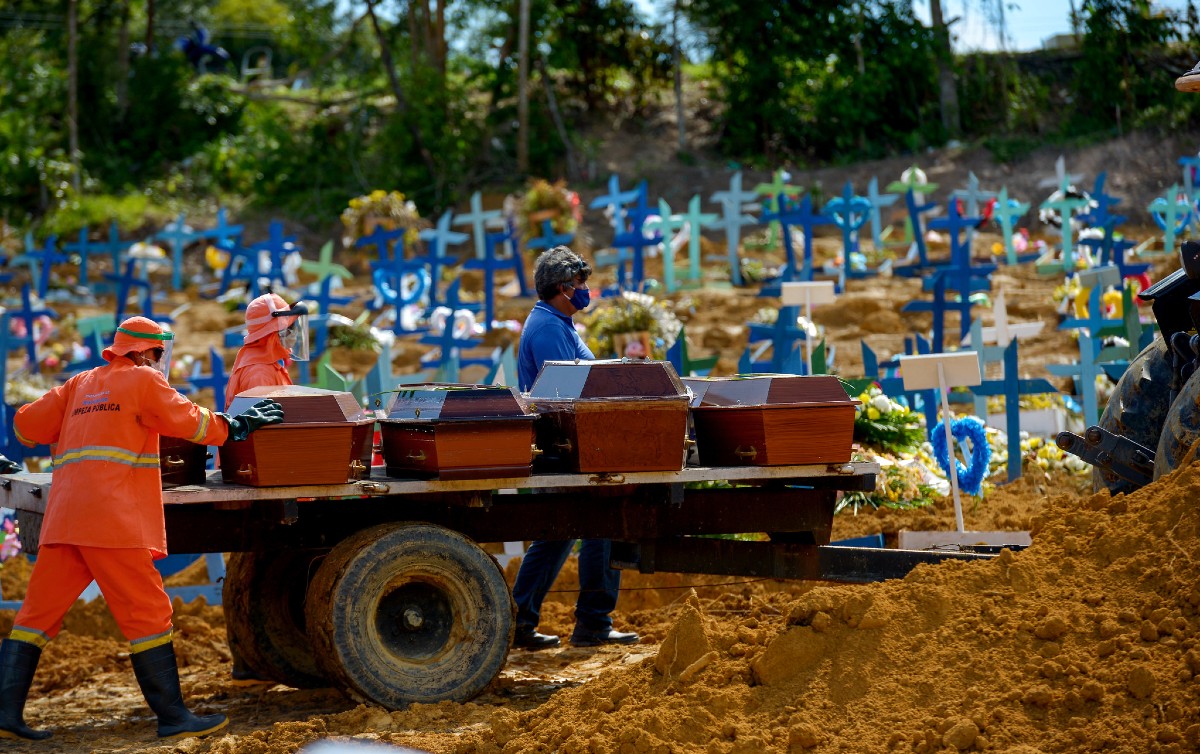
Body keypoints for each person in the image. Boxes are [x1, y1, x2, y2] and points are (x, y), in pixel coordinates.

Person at [0, 316, 284, 741]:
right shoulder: (144, 382)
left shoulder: (78, 384)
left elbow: (25, 426)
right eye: (158, 354)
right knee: (148, 614)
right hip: (112, 521)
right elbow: (193, 423)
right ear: (146, 352)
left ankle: (5, 716)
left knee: (35, 617)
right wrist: (237, 425)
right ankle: (173, 717)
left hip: (65, 518)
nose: (159, 362)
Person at [511, 246, 640, 650]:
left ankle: (519, 622)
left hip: (566, 443)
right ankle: (593, 624)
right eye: (581, 284)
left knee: (556, 537)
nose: (586, 290)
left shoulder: (558, 322)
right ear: (562, 288)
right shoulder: (549, 328)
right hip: (566, 446)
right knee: (600, 525)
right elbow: (571, 391)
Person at [223, 292, 309, 684]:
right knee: (259, 567)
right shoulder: (259, 371)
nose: (292, 338)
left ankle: (247, 658)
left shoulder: (265, 363)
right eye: (287, 330)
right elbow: (269, 434)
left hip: (263, 472)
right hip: (264, 476)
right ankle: (246, 657)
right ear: (272, 331)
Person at [225, 292, 309, 410]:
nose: (295, 332)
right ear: (272, 333)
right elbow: (263, 426)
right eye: (289, 327)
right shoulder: (259, 374)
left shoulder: (269, 362)